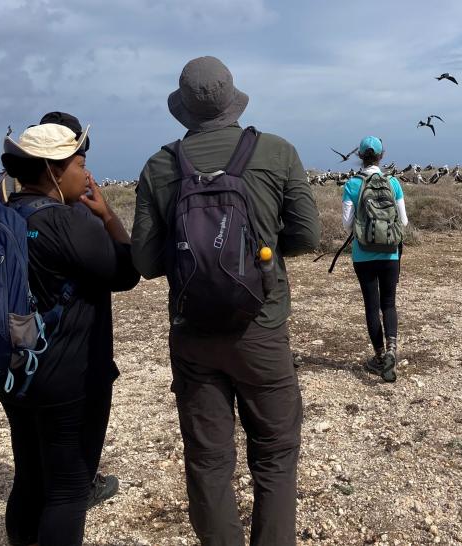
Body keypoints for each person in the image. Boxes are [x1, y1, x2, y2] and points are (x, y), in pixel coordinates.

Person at [131, 56, 320, 545]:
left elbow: (148, 263)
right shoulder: (277, 152)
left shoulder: (160, 165)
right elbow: (306, 237)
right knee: (275, 454)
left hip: (192, 335)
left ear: (184, 110)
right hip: (260, 327)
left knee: (209, 460)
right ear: (233, 101)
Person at [0, 115, 140, 546]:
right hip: (69, 377)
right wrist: (109, 215)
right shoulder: (69, 222)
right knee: (68, 491)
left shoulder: (4, 212)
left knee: (29, 478)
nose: (87, 172)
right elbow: (127, 272)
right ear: (54, 170)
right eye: (79, 163)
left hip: (14, 370)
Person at [342, 136, 408, 382]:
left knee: (371, 305)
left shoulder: (351, 184)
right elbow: (403, 222)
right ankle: (392, 351)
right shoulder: (393, 182)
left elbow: (347, 224)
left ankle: (379, 358)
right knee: (389, 303)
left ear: (359, 156)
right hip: (391, 253)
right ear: (382, 155)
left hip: (363, 255)